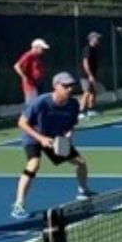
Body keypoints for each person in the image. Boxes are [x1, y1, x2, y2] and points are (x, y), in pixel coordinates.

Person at [12, 71, 95, 219]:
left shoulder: (73, 104)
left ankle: (83, 190)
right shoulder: (41, 101)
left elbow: (70, 125)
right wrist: (41, 138)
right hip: (34, 137)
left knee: (80, 163)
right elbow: (22, 123)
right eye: (66, 86)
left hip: (55, 139)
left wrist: (68, 135)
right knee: (34, 164)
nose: (70, 89)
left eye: (71, 86)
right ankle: (18, 205)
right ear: (56, 86)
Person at [13, 38, 50, 104]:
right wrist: (24, 77)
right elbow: (17, 66)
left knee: (40, 104)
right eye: (42, 48)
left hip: (38, 84)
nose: (43, 50)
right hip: (30, 86)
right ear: (36, 47)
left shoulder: (37, 56)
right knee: (32, 105)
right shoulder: (28, 55)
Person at [79, 32, 102, 119]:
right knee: (87, 92)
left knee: (93, 92)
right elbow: (85, 63)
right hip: (86, 75)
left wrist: (93, 75)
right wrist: (90, 75)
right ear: (92, 39)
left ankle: (90, 110)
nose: (98, 40)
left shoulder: (94, 49)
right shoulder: (87, 49)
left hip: (92, 75)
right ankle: (81, 112)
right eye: (97, 38)